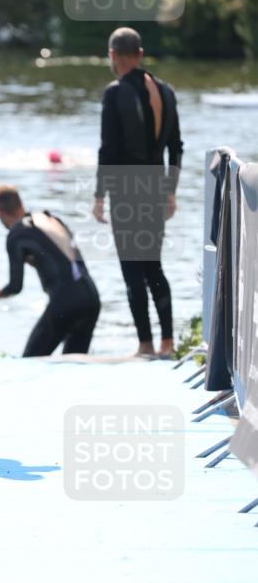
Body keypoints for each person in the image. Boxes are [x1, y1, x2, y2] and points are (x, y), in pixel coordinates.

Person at [93, 27, 183, 358]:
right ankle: (167, 343)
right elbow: (176, 147)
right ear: (141, 54)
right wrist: (170, 190)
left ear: (113, 55)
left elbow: (108, 149)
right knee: (154, 266)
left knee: (132, 270)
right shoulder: (166, 92)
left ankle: (145, 344)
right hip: (156, 186)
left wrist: (99, 196)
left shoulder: (115, 92)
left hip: (127, 189)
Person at [0, 185, 100, 356]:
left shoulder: (16, 234)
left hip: (66, 301)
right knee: (75, 363)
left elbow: (16, 286)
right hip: (91, 296)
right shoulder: (50, 218)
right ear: (20, 203)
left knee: (30, 361)